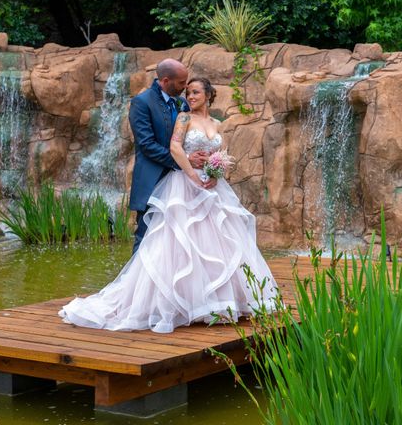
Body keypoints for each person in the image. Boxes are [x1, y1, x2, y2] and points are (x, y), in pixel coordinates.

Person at [59, 78, 278, 333]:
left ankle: (216, 303)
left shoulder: (217, 124)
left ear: (208, 95)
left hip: (213, 188)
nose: (190, 96)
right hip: (185, 183)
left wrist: (217, 172)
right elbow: (175, 147)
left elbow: (222, 154)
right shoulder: (184, 118)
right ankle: (177, 304)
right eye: (188, 92)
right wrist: (193, 174)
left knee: (218, 241)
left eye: (195, 92)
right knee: (179, 242)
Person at [128, 58, 211, 255]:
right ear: (165, 81)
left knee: (178, 240)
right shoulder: (141, 103)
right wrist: (185, 159)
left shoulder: (182, 104)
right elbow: (146, 145)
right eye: (182, 83)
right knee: (146, 237)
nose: (185, 87)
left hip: (181, 185)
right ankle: (136, 286)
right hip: (152, 180)